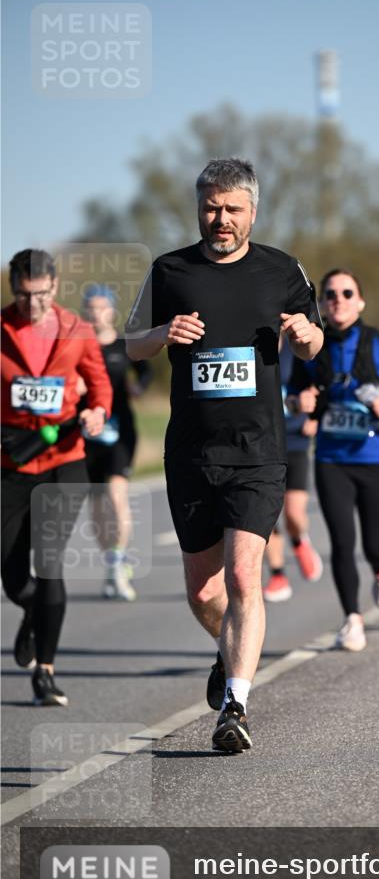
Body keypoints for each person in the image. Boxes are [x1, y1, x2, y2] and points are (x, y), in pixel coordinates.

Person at [125, 158, 323, 753]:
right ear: (199, 208)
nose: (222, 219)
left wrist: (305, 337)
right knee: (203, 594)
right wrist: (162, 334)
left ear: (252, 212)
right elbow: (131, 345)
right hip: (191, 453)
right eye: (212, 207)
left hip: (257, 451)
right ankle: (227, 649)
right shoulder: (170, 270)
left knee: (242, 576)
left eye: (233, 209)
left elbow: (314, 341)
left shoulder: (281, 269)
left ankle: (235, 705)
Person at [288, 269, 379, 651]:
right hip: (331, 458)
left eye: (347, 293)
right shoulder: (311, 346)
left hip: (374, 456)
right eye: (330, 294)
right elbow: (293, 394)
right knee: (342, 542)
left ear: (360, 302)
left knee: (375, 544)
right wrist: (299, 402)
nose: (339, 300)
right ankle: (352, 619)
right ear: (322, 304)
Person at [1, 249, 112, 705]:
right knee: (11, 575)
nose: (33, 305)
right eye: (24, 296)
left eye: (41, 295)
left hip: (64, 461)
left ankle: (45, 671)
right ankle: (33, 611)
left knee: (49, 562)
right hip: (11, 463)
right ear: (13, 289)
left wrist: (97, 412)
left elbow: (100, 385)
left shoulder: (77, 330)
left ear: (55, 286)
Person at [81, 284, 153, 600]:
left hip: (120, 432)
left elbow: (145, 371)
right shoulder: (78, 347)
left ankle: (118, 560)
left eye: (102, 307)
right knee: (96, 505)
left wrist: (139, 388)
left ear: (111, 310)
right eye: (91, 308)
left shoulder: (124, 346)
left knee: (116, 494)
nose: (96, 313)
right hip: (87, 435)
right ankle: (112, 562)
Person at [263, 336, 322, 603]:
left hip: (296, 439)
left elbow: (318, 382)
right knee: (265, 517)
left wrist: (314, 416)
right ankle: (278, 574)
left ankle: (299, 541)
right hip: (262, 443)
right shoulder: (249, 346)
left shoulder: (296, 349)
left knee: (294, 514)